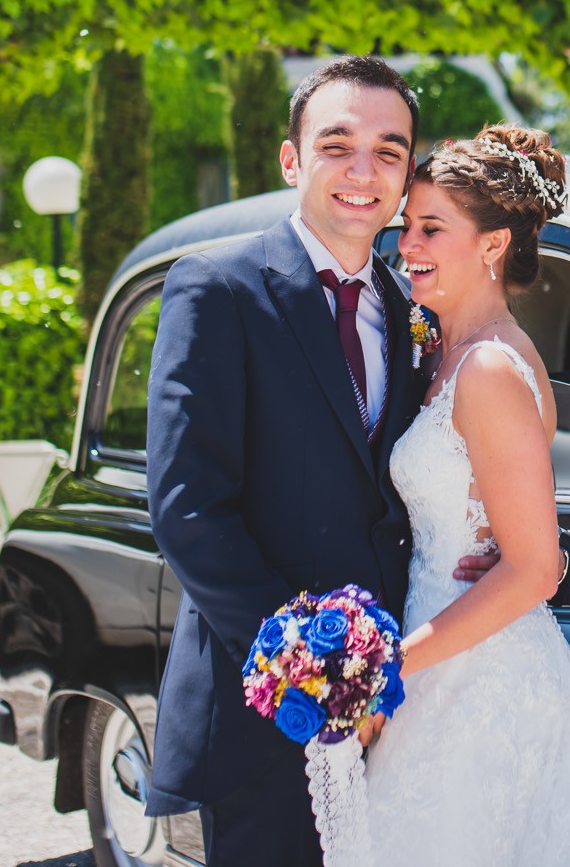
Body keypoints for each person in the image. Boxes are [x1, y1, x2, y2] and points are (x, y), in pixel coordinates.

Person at [143, 56, 495, 865]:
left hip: (401, 706)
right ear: (292, 159)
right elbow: (189, 507)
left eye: (390, 151)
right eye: (338, 145)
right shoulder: (217, 288)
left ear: (407, 174)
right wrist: (315, 666)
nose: (363, 172)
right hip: (268, 707)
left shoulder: (414, 306)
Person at [362, 126, 570, 866]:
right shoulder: (445, 352)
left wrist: (392, 667)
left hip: (476, 674)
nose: (408, 245)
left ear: (494, 244)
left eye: (432, 227)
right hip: (443, 649)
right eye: (408, 226)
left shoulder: (491, 368)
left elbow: (534, 566)